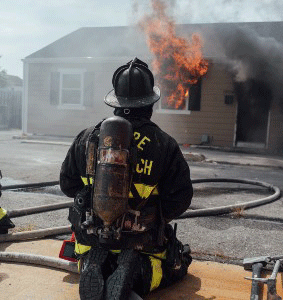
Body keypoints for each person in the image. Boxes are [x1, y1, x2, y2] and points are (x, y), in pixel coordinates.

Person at [60, 57, 193, 300]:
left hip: (91, 240)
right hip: (143, 244)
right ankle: (138, 272)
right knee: (179, 262)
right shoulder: (164, 144)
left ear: (116, 102)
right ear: (150, 104)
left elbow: (67, 185)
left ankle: (91, 263)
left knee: (90, 255)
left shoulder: (86, 137)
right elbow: (180, 200)